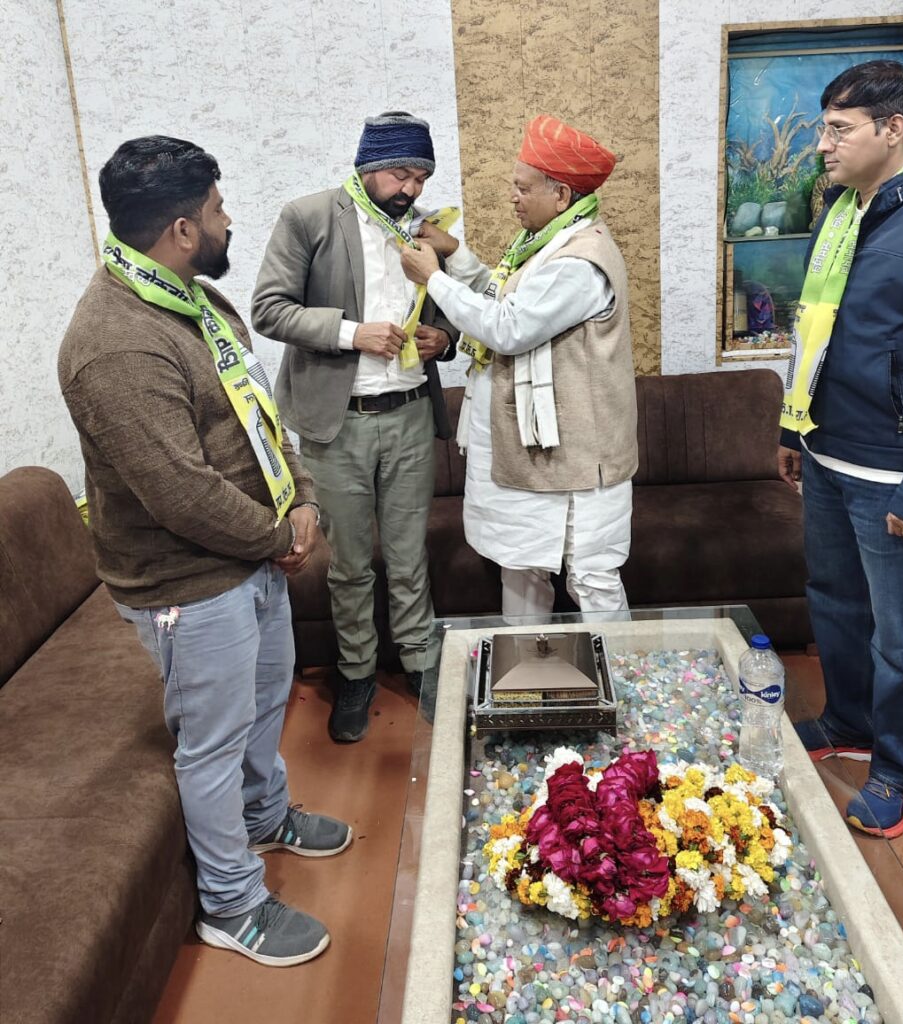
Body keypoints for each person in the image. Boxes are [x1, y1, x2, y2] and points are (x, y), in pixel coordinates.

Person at [59, 136, 351, 967]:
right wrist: (279, 536)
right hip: (186, 583)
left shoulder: (196, 301)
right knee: (213, 746)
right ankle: (231, 903)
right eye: (219, 210)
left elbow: (259, 412)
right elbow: (179, 491)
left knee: (264, 706)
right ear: (183, 229)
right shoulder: (116, 342)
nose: (230, 221)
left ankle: (266, 817)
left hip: (252, 558)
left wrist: (300, 498)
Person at [778, 61, 903, 837]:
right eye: (823, 128)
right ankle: (846, 721)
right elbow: (812, 329)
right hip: (826, 450)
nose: (822, 144)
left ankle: (898, 768)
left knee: (901, 634)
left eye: (837, 129)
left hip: (892, 470)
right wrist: (792, 427)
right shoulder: (842, 211)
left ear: (893, 129)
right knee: (834, 602)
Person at [252, 112, 457, 743]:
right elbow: (268, 309)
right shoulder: (309, 217)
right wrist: (351, 333)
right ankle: (357, 671)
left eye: (421, 177)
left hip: (410, 414)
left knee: (408, 554)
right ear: (368, 167)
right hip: (336, 423)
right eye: (400, 174)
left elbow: (449, 308)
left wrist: (443, 339)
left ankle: (420, 662)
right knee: (347, 564)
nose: (411, 189)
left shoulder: (425, 229)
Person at [400, 115, 638, 619]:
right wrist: (454, 253)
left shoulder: (580, 261)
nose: (513, 197)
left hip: (577, 461)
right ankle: (528, 664)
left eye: (523, 188)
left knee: (591, 577)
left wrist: (434, 278)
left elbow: (508, 326)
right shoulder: (542, 247)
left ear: (562, 195)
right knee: (521, 565)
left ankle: (619, 668)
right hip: (534, 457)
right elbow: (502, 295)